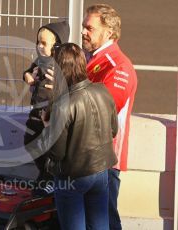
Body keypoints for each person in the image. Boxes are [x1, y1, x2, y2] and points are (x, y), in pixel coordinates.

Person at [41, 43, 118, 230]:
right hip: (101, 171)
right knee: (100, 225)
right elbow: (113, 130)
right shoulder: (102, 91)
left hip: (73, 176)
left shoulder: (63, 104)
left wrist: (46, 127)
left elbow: (56, 152)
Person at [82, 4, 138, 230]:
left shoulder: (119, 66)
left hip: (103, 160)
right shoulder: (90, 58)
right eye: (84, 27)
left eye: (89, 28)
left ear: (109, 32)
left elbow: (102, 111)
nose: (84, 32)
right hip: (83, 156)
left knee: (104, 222)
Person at [22, 20, 69, 195]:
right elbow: (27, 71)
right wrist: (27, 76)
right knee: (30, 141)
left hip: (52, 111)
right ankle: (44, 172)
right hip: (36, 110)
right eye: (38, 42)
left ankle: (49, 178)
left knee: (51, 147)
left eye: (44, 43)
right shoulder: (39, 61)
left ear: (57, 46)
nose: (39, 47)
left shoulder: (62, 63)